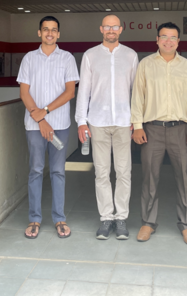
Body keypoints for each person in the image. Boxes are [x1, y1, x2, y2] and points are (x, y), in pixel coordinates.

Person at [130, 22, 187, 246]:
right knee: (150, 178)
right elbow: (137, 96)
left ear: (178, 41)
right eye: (164, 37)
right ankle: (147, 223)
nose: (168, 41)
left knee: (185, 178)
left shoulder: (186, 65)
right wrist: (137, 125)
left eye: (173, 37)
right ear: (157, 40)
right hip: (151, 130)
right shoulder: (146, 64)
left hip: (180, 130)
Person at [75, 14, 139, 240]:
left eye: (115, 27)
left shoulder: (131, 55)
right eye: (107, 27)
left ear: (121, 29)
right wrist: (81, 121)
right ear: (101, 29)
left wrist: (136, 120)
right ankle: (106, 218)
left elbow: (136, 91)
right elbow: (84, 89)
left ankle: (121, 218)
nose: (111, 30)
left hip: (124, 122)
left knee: (123, 172)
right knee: (101, 173)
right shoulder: (90, 55)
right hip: (98, 122)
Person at [17, 16, 79, 240]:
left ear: (59, 34)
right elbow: (24, 93)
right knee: (35, 170)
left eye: (54, 30)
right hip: (35, 127)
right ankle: (34, 219)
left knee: (58, 171)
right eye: (46, 30)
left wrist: (46, 112)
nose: (50, 33)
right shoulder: (29, 59)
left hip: (60, 125)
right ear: (39, 33)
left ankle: (59, 218)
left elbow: (70, 92)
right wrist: (41, 120)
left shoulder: (67, 58)